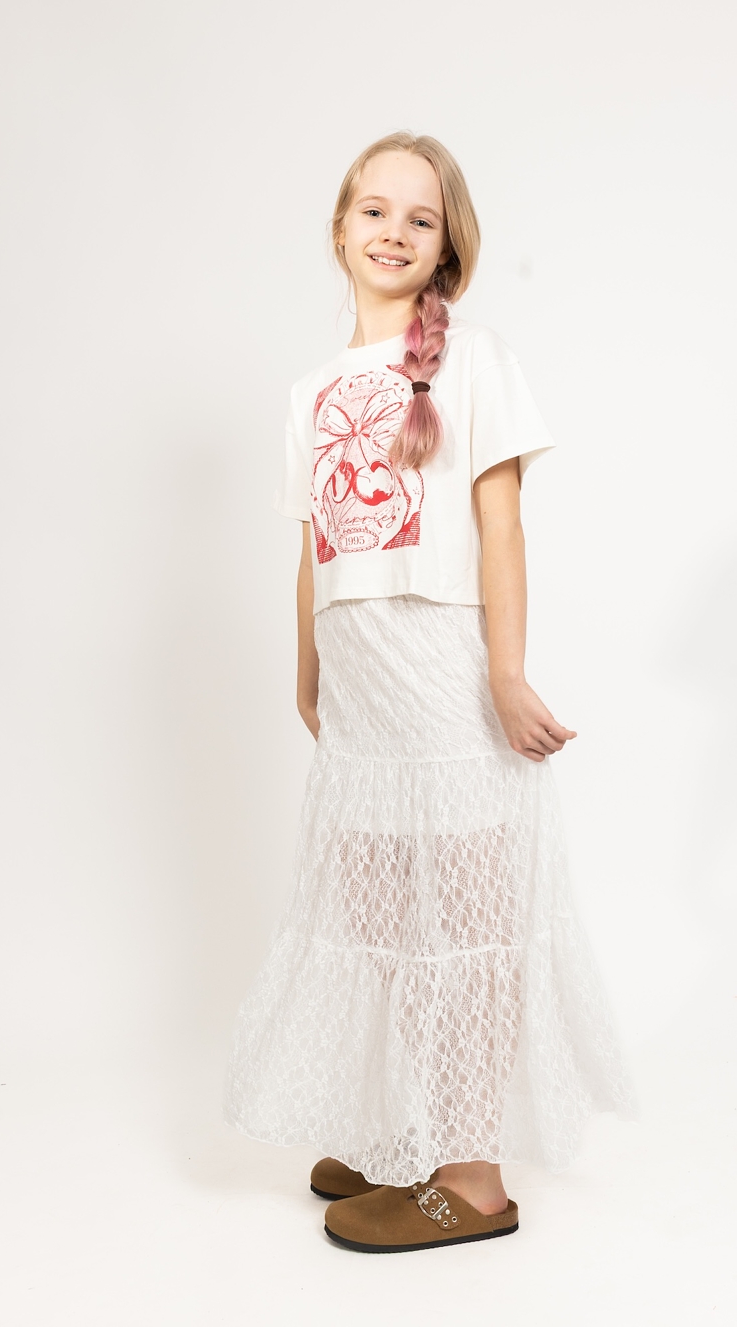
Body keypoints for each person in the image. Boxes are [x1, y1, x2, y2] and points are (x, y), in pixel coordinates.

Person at [223, 131, 635, 1253]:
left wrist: (504, 671)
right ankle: (415, 1132)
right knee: (381, 916)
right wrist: (306, 666)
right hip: (361, 685)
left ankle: (473, 1177)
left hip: (440, 673)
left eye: (420, 217)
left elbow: (502, 525)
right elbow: (315, 546)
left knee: (463, 919)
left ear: (447, 245)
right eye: (374, 210)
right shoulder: (313, 389)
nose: (393, 231)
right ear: (339, 228)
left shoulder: (472, 359)